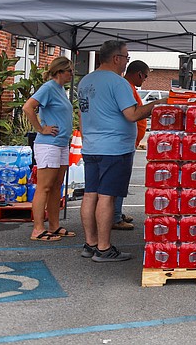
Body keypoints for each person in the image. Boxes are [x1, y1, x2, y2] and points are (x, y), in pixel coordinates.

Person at [77, 41, 158, 262]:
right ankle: (103, 248)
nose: (126, 62)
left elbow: (82, 115)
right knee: (106, 197)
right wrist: (158, 103)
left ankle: (90, 244)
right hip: (114, 149)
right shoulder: (118, 83)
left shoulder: (85, 81)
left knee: (90, 195)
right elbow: (132, 115)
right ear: (116, 59)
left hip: (92, 146)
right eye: (126, 58)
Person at [22, 56, 76, 242]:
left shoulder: (60, 90)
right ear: (60, 71)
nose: (72, 74)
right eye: (69, 70)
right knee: (44, 187)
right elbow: (28, 107)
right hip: (48, 144)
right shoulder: (48, 88)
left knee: (56, 186)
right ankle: (38, 229)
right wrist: (40, 128)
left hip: (61, 143)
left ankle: (54, 225)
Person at [111, 60, 151, 231]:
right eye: (146, 77)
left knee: (121, 181)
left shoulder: (130, 88)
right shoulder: (126, 88)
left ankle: (117, 213)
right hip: (124, 144)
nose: (145, 80)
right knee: (119, 181)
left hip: (129, 142)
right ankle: (115, 217)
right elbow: (132, 114)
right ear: (139, 74)